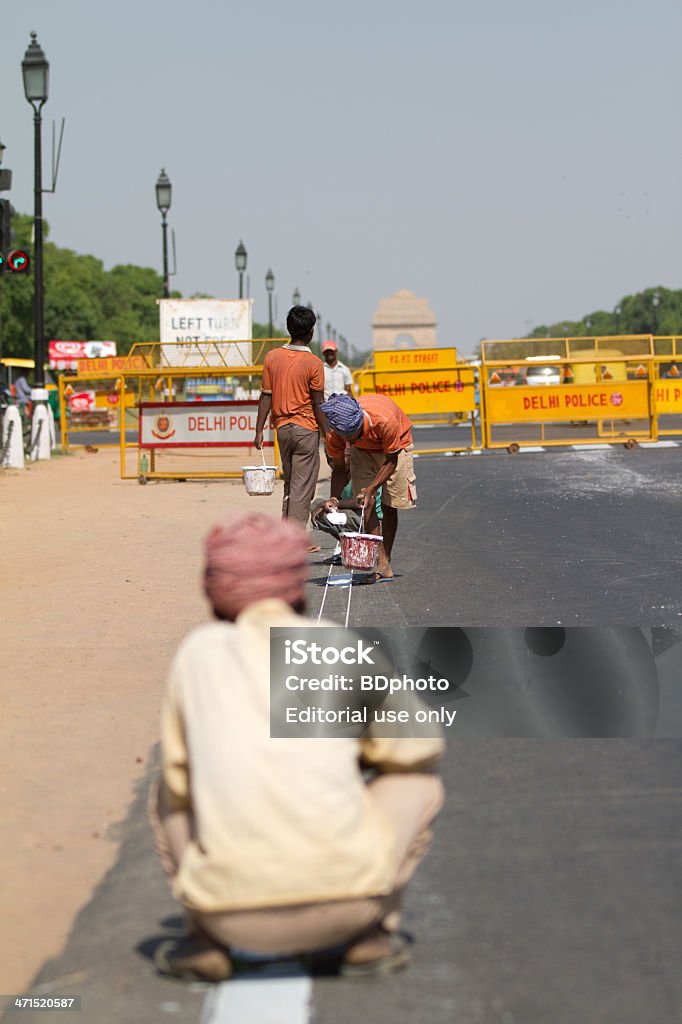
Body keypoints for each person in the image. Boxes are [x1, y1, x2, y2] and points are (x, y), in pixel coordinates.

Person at [150, 513, 444, 982]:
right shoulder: (334, 643)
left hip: (229, 914)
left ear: (215, 590)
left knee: (167, 792)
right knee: (416, 783)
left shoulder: (198, 653)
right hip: (348, 904)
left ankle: (203, 940)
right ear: (295, 588)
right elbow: (418, 748)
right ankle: (371, 936)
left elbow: (181, 782)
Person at [322, 392, 416, 583]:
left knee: (390, 505)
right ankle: (382, 563)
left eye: (352, 436)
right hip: (364, 451)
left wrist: (372, 487)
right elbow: (340, 469)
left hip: (395, 448)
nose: (350, 441)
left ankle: (385, 559)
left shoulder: (384, 420)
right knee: (364, 502)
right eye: (346, 438)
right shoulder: (337, 434)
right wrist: (333, 497)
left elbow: (391, 461)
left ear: (359, 424)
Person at [254, 306, 326, 550]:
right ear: (310, 332)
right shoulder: (314, 363)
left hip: (282, 428)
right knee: (303, 485)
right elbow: (318, 403)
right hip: (306, 428)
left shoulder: (272, 357)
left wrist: (258, 430)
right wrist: (328, 434)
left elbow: (266, 396)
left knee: (291, 482)